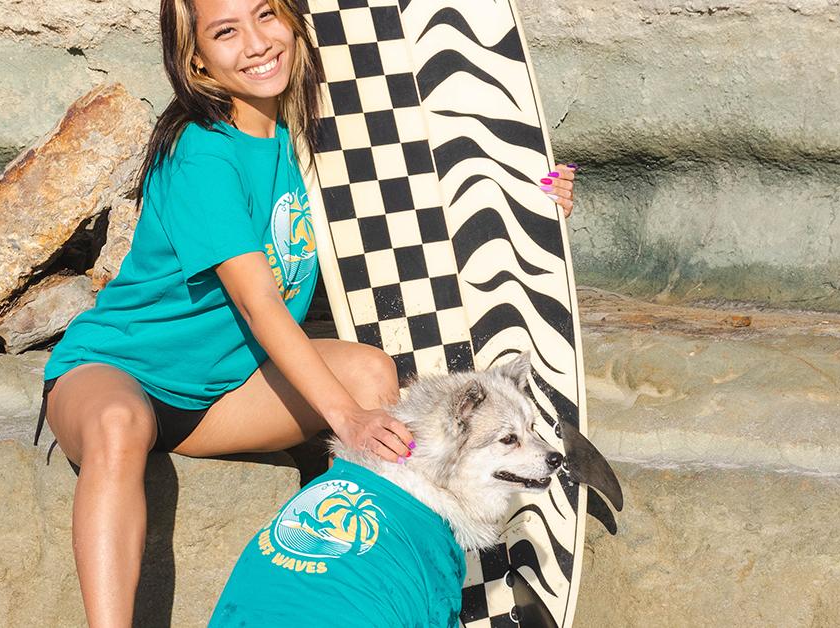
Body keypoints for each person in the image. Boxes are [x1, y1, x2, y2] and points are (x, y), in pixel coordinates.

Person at [38, 0, 578, 625]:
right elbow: (258, 300)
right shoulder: (200, 152)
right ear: (198, 60)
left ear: (293, 21)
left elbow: (423, 199)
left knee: (374, 375)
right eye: (226, 32)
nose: (257, 42)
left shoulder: (307, 138)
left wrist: (532, 202)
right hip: (118, 370)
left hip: (222, 397)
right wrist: (344, 418)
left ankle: (354, 579)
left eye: (266, 15)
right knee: (118, 424)